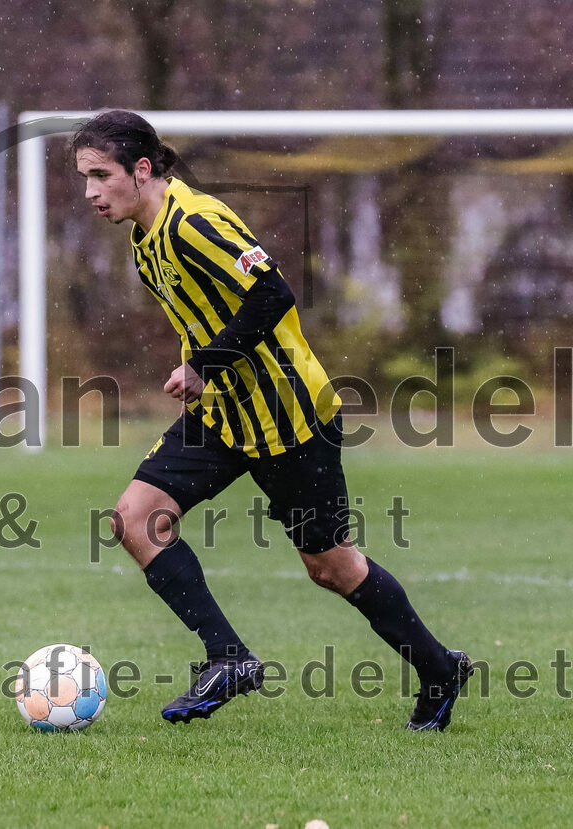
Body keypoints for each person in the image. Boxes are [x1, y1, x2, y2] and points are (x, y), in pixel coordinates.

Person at [71, 109, 473, 730]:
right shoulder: (142, 242)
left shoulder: (195, 222)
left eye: (100, 176)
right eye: (84, 178)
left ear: (141, 169)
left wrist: (205, 362)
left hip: (289, 417)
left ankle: (438, 668)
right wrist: (201, 367)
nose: (91, 192)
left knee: (331, 566)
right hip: (223, 413)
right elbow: (201, 315)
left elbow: (272, 293)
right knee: (135, 519)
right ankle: (227, 657)